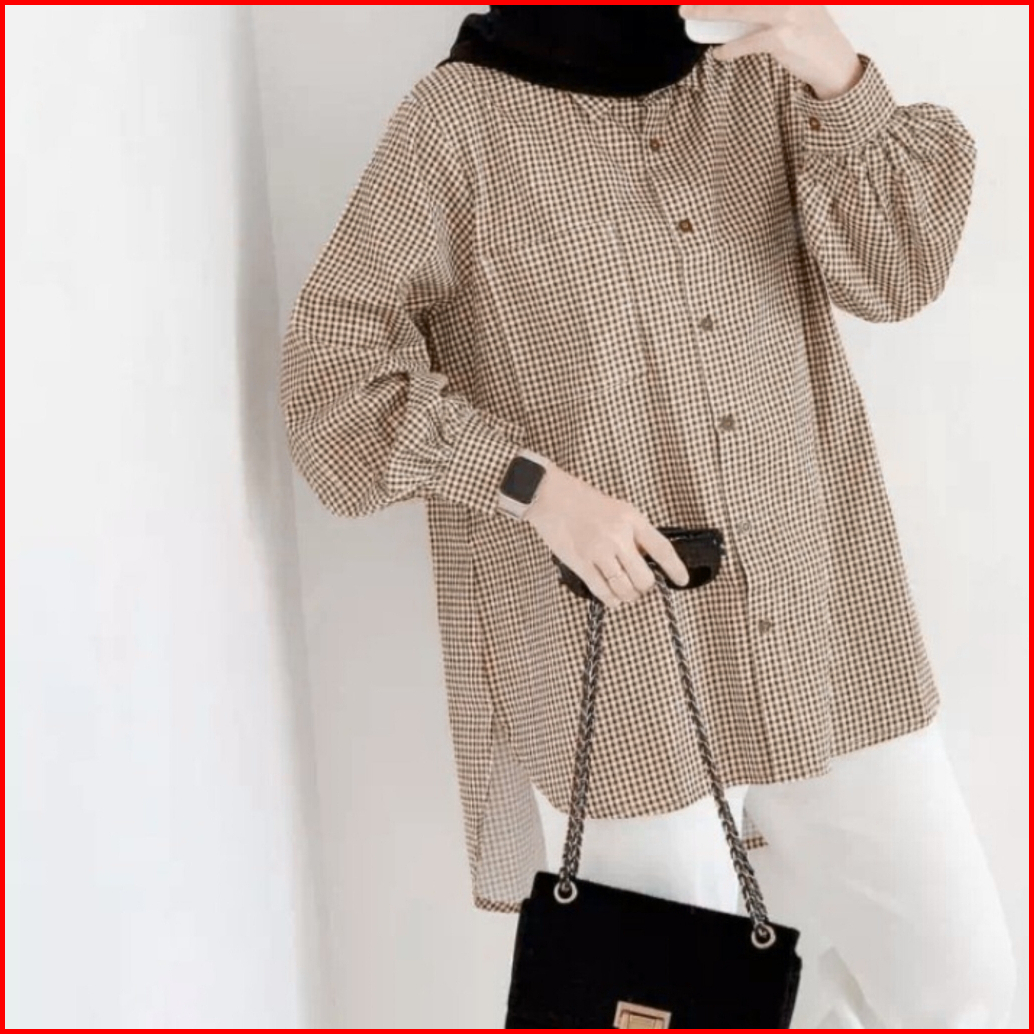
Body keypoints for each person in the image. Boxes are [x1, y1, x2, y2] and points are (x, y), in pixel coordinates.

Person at [279, 5, 1016, 1027]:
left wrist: (837, 72)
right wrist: (534, 486)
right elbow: (331, 378)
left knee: (962, 984)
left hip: (823, 627)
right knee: (684, 1009)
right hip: (617, 659)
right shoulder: (457, 124)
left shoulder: (756, 73)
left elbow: (896, 275)